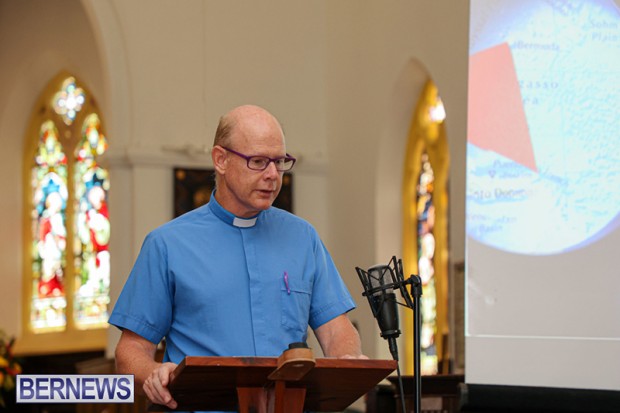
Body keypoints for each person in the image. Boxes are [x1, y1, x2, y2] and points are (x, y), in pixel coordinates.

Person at [109, 104, 365, 411]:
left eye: (279, 162)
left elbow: (336, 329)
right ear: (221, 159)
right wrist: (153, 372)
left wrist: (347, 359)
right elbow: (130, 352)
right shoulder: (166, 245)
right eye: (258, 161)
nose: (273, 174)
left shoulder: (303, 238)